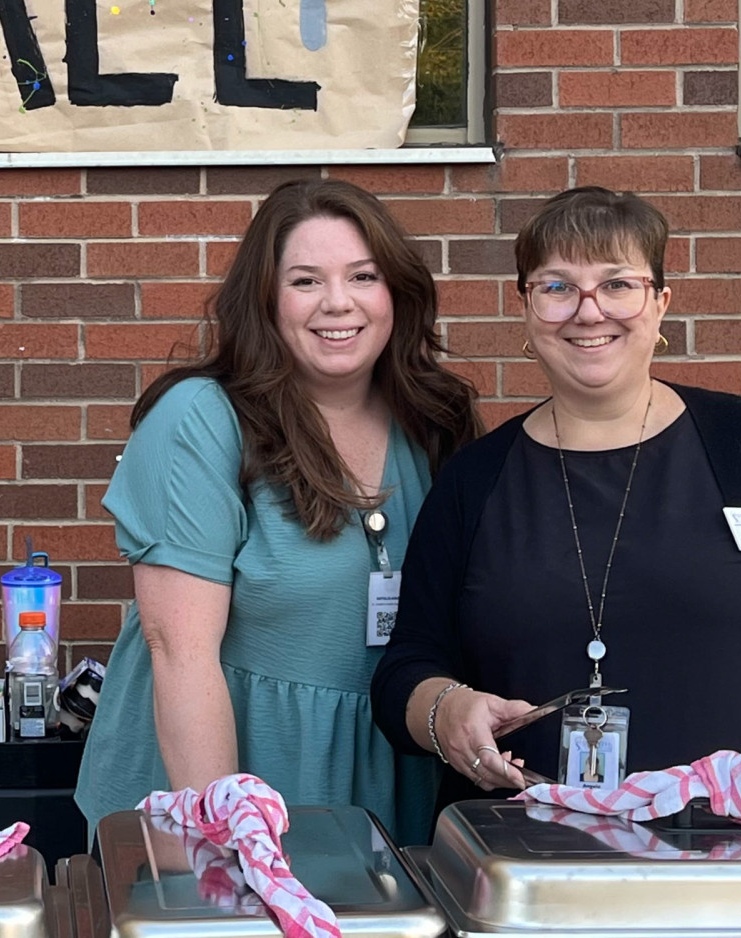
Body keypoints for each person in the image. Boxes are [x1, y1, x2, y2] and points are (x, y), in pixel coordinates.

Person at [371, 185, 741, 820]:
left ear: (660, 304)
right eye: (557, 287)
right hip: (533, 865)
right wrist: (444, 710)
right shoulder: (473, 481)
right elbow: (407, 666)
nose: (588, 311)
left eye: (618, 284)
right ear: (525, 309)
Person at [75, 179, 482, 846]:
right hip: (218, 779)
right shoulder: (202, 421)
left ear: (396, 292)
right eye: (305, 281)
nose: (338, 303)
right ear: (265, 300)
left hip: (383, 786)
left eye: (363, 276)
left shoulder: (432, 423)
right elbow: (179, 653)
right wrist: (222, 843)